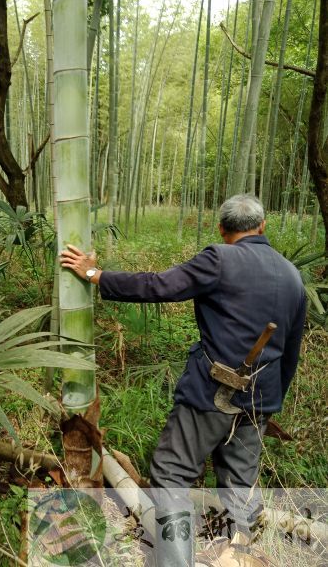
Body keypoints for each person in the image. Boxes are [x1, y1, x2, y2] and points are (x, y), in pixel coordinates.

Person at [60, 194, 306, 566]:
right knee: (241, 487)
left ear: (222, 229)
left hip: (213, 393)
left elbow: (158, 285)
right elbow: (291, 352)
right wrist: (272, 403)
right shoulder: (292, 275)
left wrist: (96, 275)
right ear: (263, 226)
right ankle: (244, 558)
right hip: (261, 399)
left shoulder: (220, 258)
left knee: (172, 473)